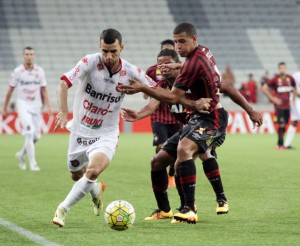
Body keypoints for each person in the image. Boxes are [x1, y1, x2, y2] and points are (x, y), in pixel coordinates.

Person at [120, 23, 263, 223]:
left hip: (212, 117)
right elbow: (158, 102)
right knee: (157, 162)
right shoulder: (201, 53)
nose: (178, 45)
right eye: (176, 41)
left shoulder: (190, 69)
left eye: (182, 41)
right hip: (196, 120)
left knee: (185, 151)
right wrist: (138, 114)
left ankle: (190, 208)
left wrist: (142, 87)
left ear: (194, 39)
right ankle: (165, 210)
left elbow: (172, 98)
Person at [52, 28, 156, 227]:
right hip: (80, 131)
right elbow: (63, 84)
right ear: (100, 47)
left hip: (106, 133)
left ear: (121, 48)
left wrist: (144, 108)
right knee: (76, 174)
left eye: (113, 52)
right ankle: (96, 192)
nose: (108, 56)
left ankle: (63, 209)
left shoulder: (131, 72)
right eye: (104, 51)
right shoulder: (89, 62)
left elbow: (157, 89)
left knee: (92, 170)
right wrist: (64, 112)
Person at [2, 46, 52, 171]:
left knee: (36, 137)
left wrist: (49, 105)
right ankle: (33, 163)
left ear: (34, 56)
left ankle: (20, 155)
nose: (29, 56)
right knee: (29, 132)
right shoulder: (18, 72)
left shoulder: (39, 71)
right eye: (27, 54)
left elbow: (44, 89)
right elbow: (10, 90)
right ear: (23, 56)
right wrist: (5, 108)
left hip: (36, 105)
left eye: (31, 54)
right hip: (23, 104)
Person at [146, 40, 179, 187]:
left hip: (177, 115)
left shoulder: (181, 72)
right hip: (159, 114)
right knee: (161, 146)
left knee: (177, 149)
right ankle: (162, 173)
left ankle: (172, 173)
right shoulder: (152, 71)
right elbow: (148, 88)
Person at [262, 62, 297, 150]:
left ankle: (279, 144)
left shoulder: (290, 78)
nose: (282, 70)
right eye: (281, 68)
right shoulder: (275, 79)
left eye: (284, 68)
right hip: (279, 107)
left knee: (284, 124)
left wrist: (293, 99)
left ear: (286, 68)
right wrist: (273, 99)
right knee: (281, 124)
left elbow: (295, 88)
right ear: (278, 69)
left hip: (288, 106)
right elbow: (264, 88)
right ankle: (280, 145)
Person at [284, 71, 300, 148]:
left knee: (295, 121)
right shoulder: (296, 75)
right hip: (296, 100)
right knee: (295, 121)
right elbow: (292, 87)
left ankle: (287, 144)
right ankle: (287, 144)